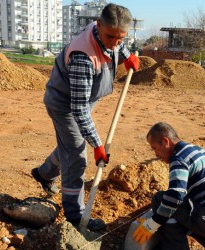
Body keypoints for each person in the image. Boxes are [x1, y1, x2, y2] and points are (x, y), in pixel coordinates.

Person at [30, 3, 139, 232]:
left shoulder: (111, 34)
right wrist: (97, 144)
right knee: (77, 156)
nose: (114, 43)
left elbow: (118, 42)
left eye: (121, 38)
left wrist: (127, 56)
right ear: (98, 25)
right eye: (110, 37)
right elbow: (78, 109)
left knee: (69, 146)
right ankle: (75, 214)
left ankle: (42, 174)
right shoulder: (83, 56)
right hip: (64, 105)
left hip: (82, 100)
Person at [134, 122, 205, 250]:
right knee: (180, 210)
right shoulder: (195, 150)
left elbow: (175, 196)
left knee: (160, 199)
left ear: (165, 141)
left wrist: (153, 223)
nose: (155, 154)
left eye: (154, 148)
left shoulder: (179, 158)